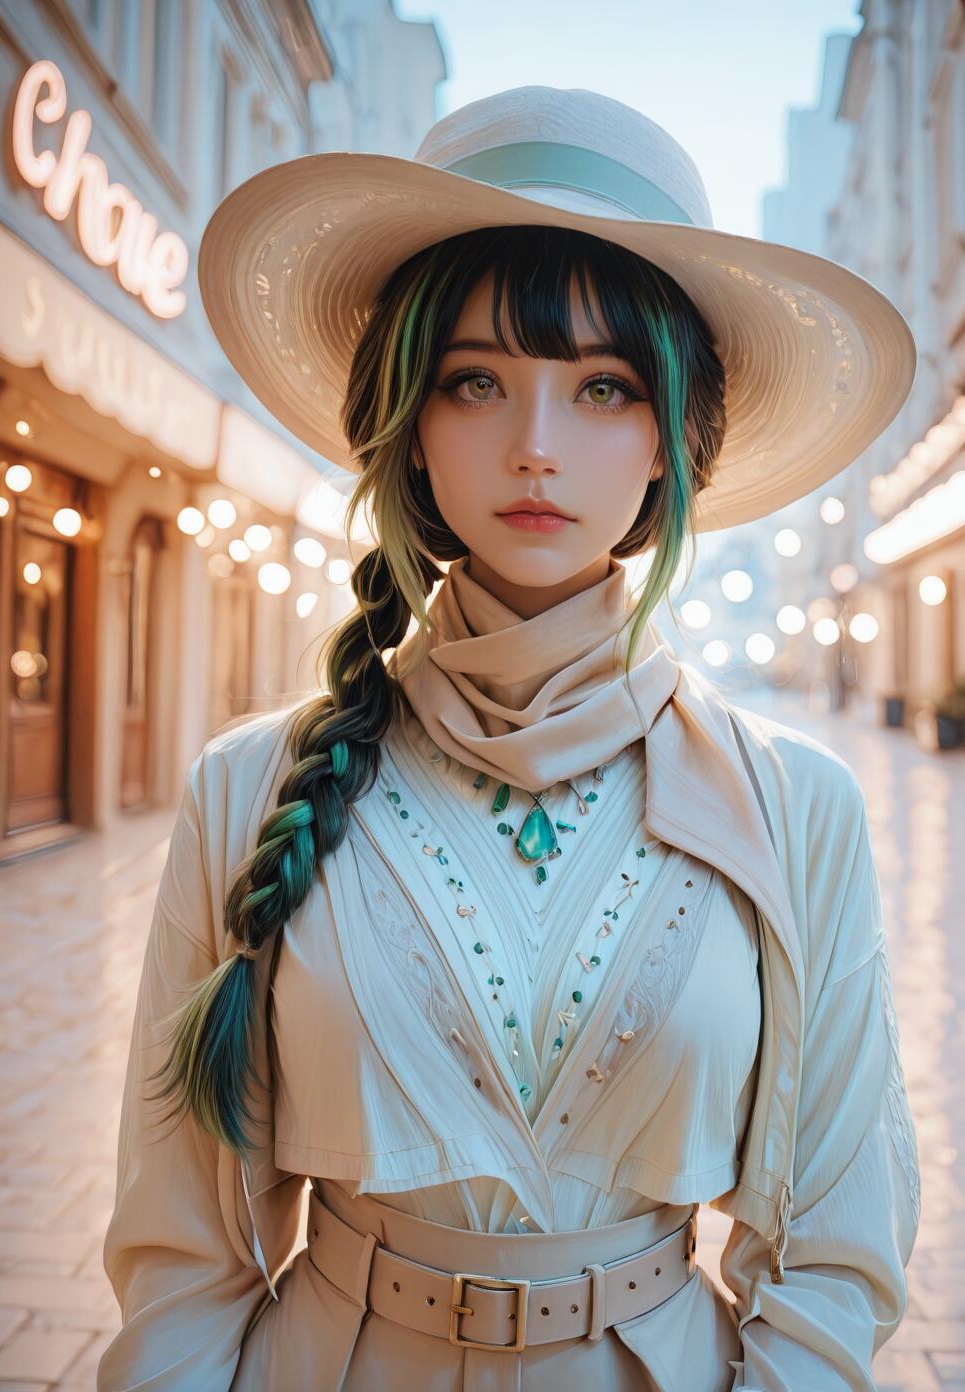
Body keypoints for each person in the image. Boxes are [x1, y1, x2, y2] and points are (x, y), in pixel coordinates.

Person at [97, 87, 921, 1392]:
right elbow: (180, 1264)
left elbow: (835, 1249)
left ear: (674, 442)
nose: (536, 448)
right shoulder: (249, 786)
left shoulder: (797, 806)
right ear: (410, 426)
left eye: (602, 387)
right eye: (476, 381)